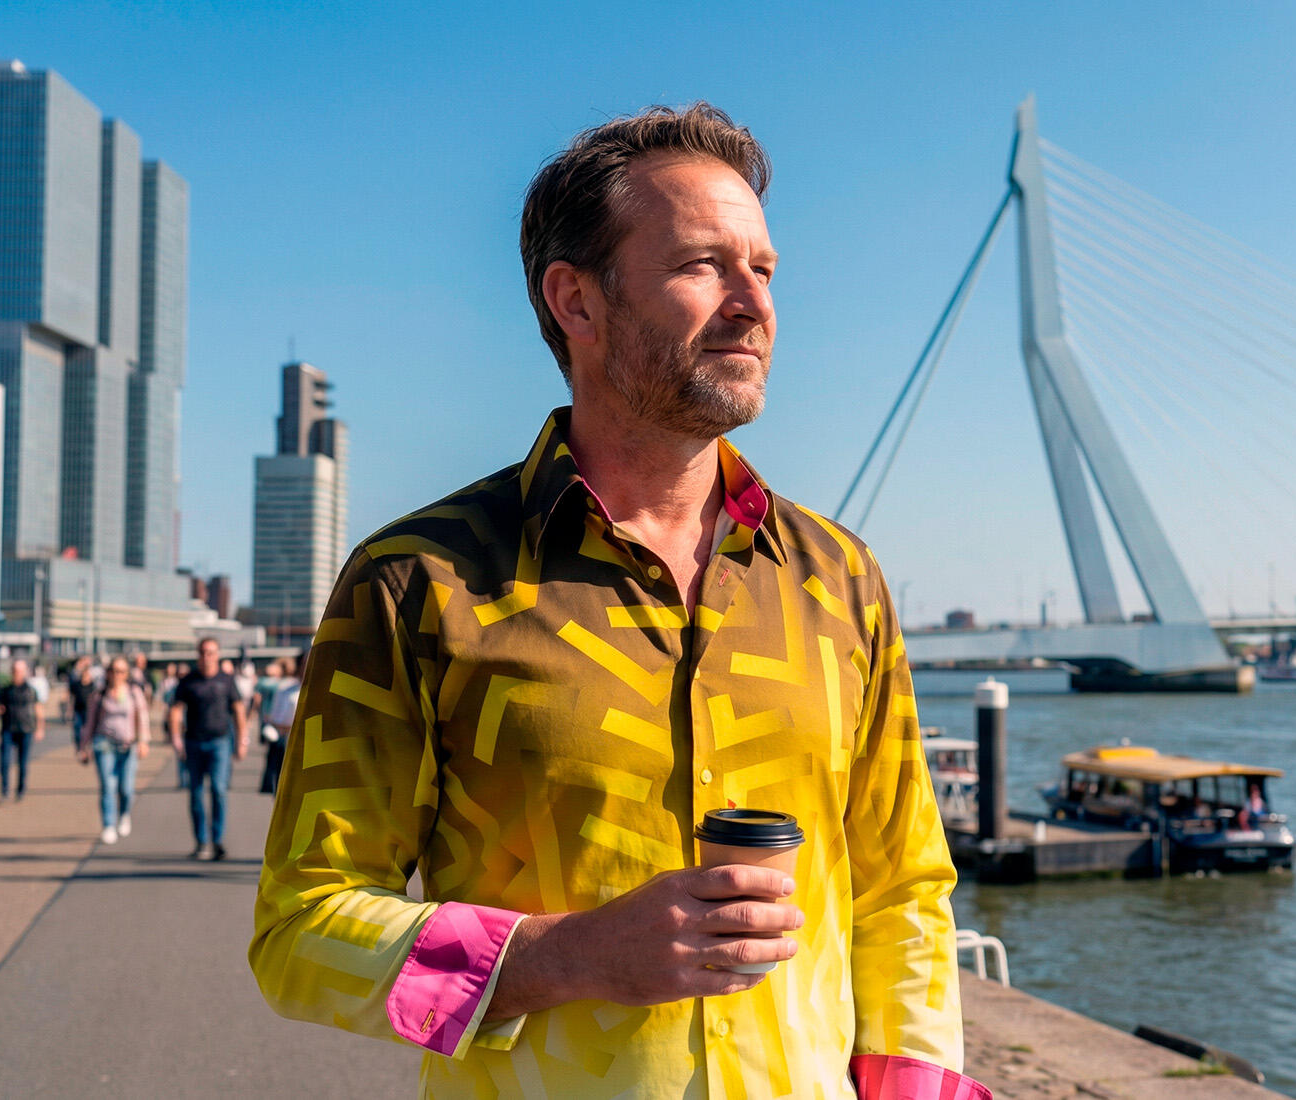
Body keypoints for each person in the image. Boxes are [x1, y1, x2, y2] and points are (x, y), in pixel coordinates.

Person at [251, 104, 979, 1099]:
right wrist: (569, 954)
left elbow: (904, 891)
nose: (751, 303)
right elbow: (301, 928)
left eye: (761, 269)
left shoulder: (839, 578)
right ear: (575, 301)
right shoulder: (420, 581)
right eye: (701, 265)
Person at [168, 638, 246, 860]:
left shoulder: (227, 680)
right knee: (195, 793)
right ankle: (201, 841)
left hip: (220, 742)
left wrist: (242, 741)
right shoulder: (188, 681)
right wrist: (176, 739)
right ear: (198, 655)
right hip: (193, 742)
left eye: (211, 653)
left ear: (218, 655)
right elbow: (175, 710)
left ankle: (217, 840)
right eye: (203, 653)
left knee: (219, 790)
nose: (206, 657)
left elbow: (239, 710)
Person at [77, 655, 150, 844]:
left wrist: (143, 741)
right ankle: (108, 824)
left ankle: (124, 813)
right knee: (108, 786)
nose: (117, 675)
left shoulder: (134, 692)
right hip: (105, 744)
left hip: (128, 744)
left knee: (126, 787)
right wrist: (83, 746)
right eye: (114, 671)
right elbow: (90, 723)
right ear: (108, 673)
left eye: (122, 671)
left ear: (127, 674)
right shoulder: (99, 695)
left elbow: (142, 718)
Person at [0, 658, 44, 802]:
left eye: (20, 671)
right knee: (4, 761)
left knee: (22, 762)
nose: (17, 674)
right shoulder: (5, 690)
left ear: (25, 672)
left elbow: (38, 709)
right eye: (15, 671)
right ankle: (4, 791)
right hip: (8, 728)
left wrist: (40, 728)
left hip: (26, 729)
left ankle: (20, 789)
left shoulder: (31, 690)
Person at [255, 655, 299, 795]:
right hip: (280, 730)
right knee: (278, 765)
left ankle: (268, 785)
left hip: (276, 725)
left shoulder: (272, 684)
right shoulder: (282, 686)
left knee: (273, 761)